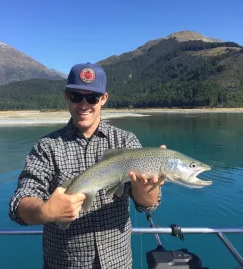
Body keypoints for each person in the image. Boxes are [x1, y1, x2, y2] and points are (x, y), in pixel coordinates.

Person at [9, 62, 164, 269]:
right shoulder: (46, 147)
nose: (84, 104)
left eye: (92, 97)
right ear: (66, 96)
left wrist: (145, 189)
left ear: (103, 99)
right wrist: (45, 211)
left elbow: (148, 204)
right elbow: (19, 204)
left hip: (118, 263)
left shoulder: (126, 142)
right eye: (76, 96)